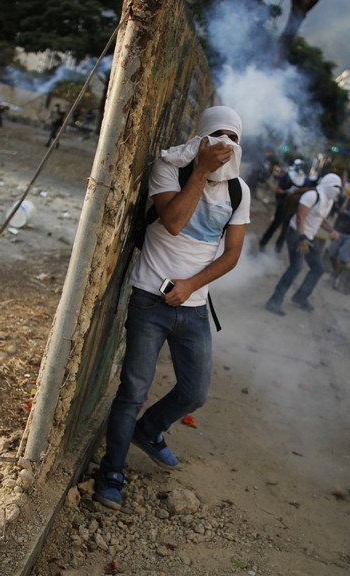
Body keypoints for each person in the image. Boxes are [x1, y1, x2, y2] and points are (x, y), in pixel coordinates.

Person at [95, 107, 250, 511]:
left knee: (194, 392)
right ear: (200, 137)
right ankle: (112, 471)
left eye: (234, 138)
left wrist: (191, 286)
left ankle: (149, 430)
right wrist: (199, 170)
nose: (226, 146)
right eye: (218, 136)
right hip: (149, 298)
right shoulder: (169, 169)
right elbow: (176, 222)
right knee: (132, 391)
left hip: (194, 306)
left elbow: (232, 254)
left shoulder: (239, 191)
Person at [264, 173, 343, 315]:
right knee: (296, 267)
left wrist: (331, 230)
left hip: (309, 237)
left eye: (339, 187)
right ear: (326, 184)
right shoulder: (312, 195)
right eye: (335, 186)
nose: (337, 190)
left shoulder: (329, 201)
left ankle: (301, 296)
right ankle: (274, 301)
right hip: (296, 234)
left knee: (318, 268)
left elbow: (321, 219)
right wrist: (302, 237)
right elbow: (300, 216)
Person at [258, 158, 313, 254]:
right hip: (282, 206)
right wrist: (287, 192)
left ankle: (277, 251)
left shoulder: (305, 180)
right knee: (275, 225)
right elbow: (278, 189)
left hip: (293, 210)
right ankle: (262, 243)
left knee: (285, 231)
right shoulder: (287, 176)